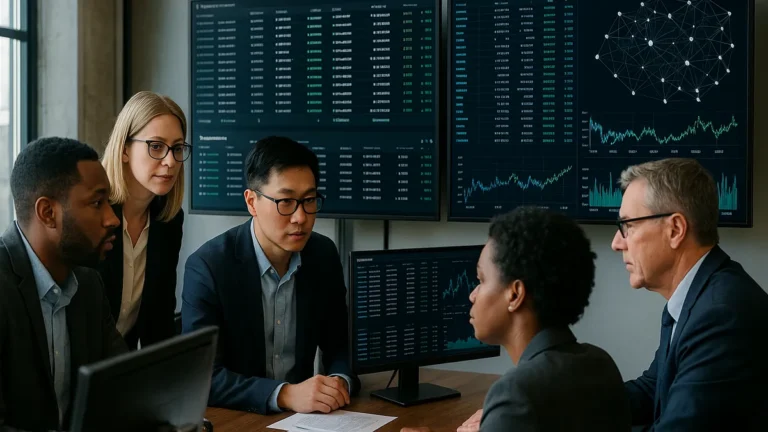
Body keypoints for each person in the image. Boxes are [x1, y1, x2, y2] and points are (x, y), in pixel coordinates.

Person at [403, 207, 631, 432]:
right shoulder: (600, 363)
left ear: (514, 294)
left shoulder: (517, 393)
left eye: (481, 280)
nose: (472, 295)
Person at [181, 136, 360, 415]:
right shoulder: (209, 267)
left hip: (305, 421)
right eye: (286, 201)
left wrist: (338, 382)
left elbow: (341, 345)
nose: (300, 217)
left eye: (309, 200)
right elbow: (200, 377)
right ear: (252, 202)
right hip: (238, 419)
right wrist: (285, 394)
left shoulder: (322, 255)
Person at [611, 158, 768, 431]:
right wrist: (562, 406)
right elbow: (652, 390)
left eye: (628, 225)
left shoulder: (721, 314)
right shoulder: (699, 296)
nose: (617, 242)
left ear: (675, 230)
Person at [0, 137, 128, 431]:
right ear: (48, 213)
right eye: (97, 203)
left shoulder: (89, 284)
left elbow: (123, 386)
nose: (112, 219)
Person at [99, 91, 188, 350]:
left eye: (178, 148)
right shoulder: (93, 213)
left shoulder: (168, 220)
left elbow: (159, 320)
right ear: (124, 149)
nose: (170, 161)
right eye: (156, 146)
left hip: (124, 371)